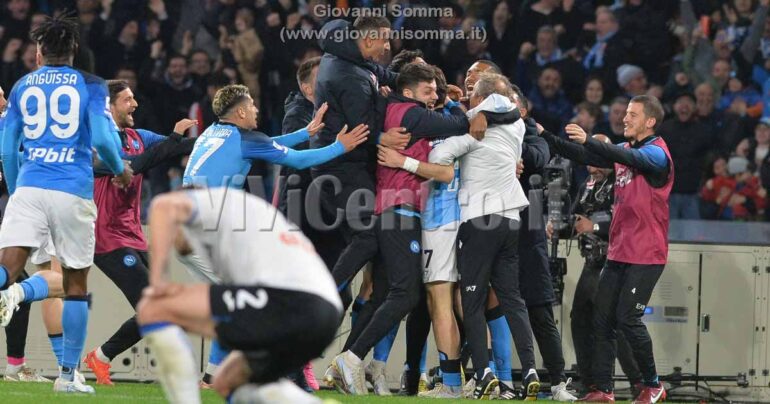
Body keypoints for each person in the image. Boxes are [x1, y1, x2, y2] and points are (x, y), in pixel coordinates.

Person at [328, 62, 481, 397]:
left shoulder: (394, 108)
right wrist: (455, 102)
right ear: (410, 91)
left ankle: (354, 359)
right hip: (400, 212)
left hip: (396, 211)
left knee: (391, 293)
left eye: (436, 91)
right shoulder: (410, 113)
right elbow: (461, 124)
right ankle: (351, 357)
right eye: (428, 90)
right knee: (406, 294)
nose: (434, 96)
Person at [0, 14, 132, 393]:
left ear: (38, 53)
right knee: (75, 283)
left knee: (8, 269)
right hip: (71, 190)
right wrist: (118, 168)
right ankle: (68, 376)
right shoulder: (90, 86)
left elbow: (8, 150)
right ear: (74, 50)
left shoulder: (22, 86)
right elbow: (107, 142)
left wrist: (17, 190)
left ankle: (10, 292)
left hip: (28, 187)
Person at [135, 187, 342, 404]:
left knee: (153, 309)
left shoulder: (209, 202)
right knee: (228, 380)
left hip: (291, 300)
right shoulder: (242, 221)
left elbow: (162, 205)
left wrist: (158, 282)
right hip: (324, 315)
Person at [539, 95, 672, 404]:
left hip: (646, 254)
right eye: (626, 113)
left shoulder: (657, 154)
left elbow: (631, 159)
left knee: (629, 319)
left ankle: (653, 385)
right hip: (618, 253)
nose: (626, 119)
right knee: (601, 321)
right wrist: (545, 135)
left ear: (650, 121)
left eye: (633, 115)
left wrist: (591, 140)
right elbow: (581, 152)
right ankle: (603, 389)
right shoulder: (625, 151)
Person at [82, 79, 198, 385]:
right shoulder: (94, 140)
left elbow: (177, 147)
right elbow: (133, 165)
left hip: (133, 234)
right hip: (106, 237)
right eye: (127, 100)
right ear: (108, 106)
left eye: (134, 98)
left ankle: (101, 357)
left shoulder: (138, 136)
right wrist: (172, 138)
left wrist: (223, 138)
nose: (135, 104)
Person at [546, 134, 643, 396]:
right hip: (592, 262)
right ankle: (588, 380)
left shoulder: (622, 182)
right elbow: (578, 218)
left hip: (615, 261)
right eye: (588, 162)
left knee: (610, 323)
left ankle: (638, 381)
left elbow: (628, 220)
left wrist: (595, 226)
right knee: (580, 318)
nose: (591, 167)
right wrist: (560, 227)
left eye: (596, 161)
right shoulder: (589, 183)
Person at [182, 84, 369, 189]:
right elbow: (298, 160)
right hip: (206, 228)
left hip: (187, 220)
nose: (255, 110)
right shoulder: (245, 139)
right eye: (251, 105)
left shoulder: (212, 131)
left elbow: (266, 144)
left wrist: (304, 133)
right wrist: (339, 147)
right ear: (240, 112)